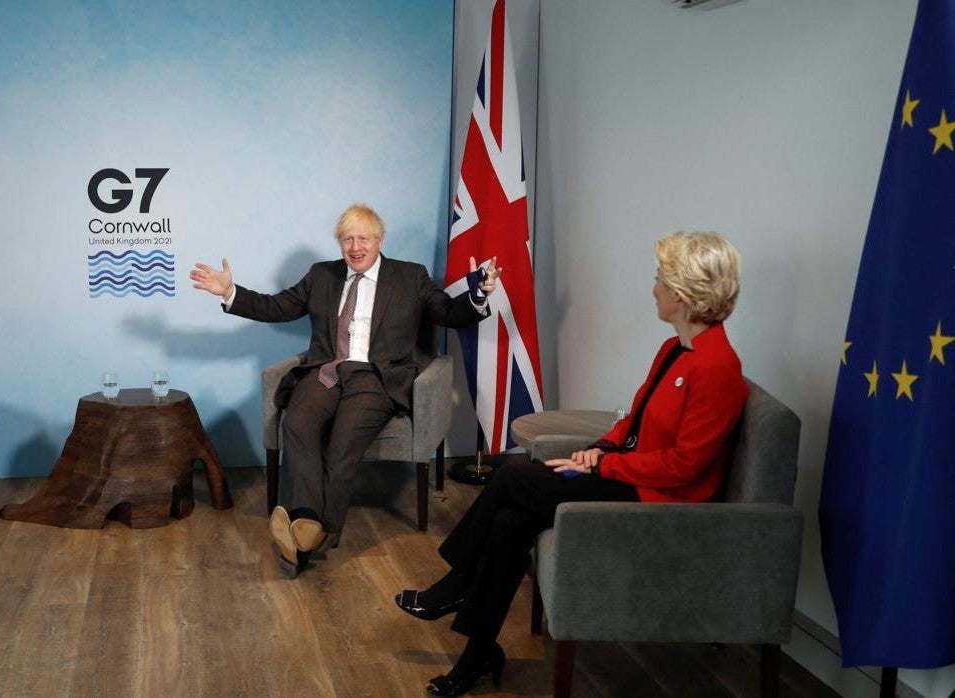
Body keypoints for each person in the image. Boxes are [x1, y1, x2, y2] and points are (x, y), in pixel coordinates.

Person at [395, 231, 747, 696]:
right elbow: (635, 421)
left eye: (661, 277)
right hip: (631, 474)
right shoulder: (675, 349)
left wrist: (604, 468)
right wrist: (601, 447)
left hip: (661, 500)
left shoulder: (719, 367)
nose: (654, 287)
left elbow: (685, 468)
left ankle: (458, 581)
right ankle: (478, 652)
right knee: (509, 521)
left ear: (683, 294)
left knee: (515, 473)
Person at [190, 203, 499, 576]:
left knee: (344, 438)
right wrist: (230, 292)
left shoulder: (410, 276)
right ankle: (305, 518)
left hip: (376, 378)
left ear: (379, 241)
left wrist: (478, 294)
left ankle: (320, 534)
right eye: (347, 239)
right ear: (339, 244)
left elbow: (448, 314)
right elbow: (276, 306)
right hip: (327, 371)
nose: (355, 247)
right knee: (298, 422)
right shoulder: (322, 275)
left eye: (363, 238)